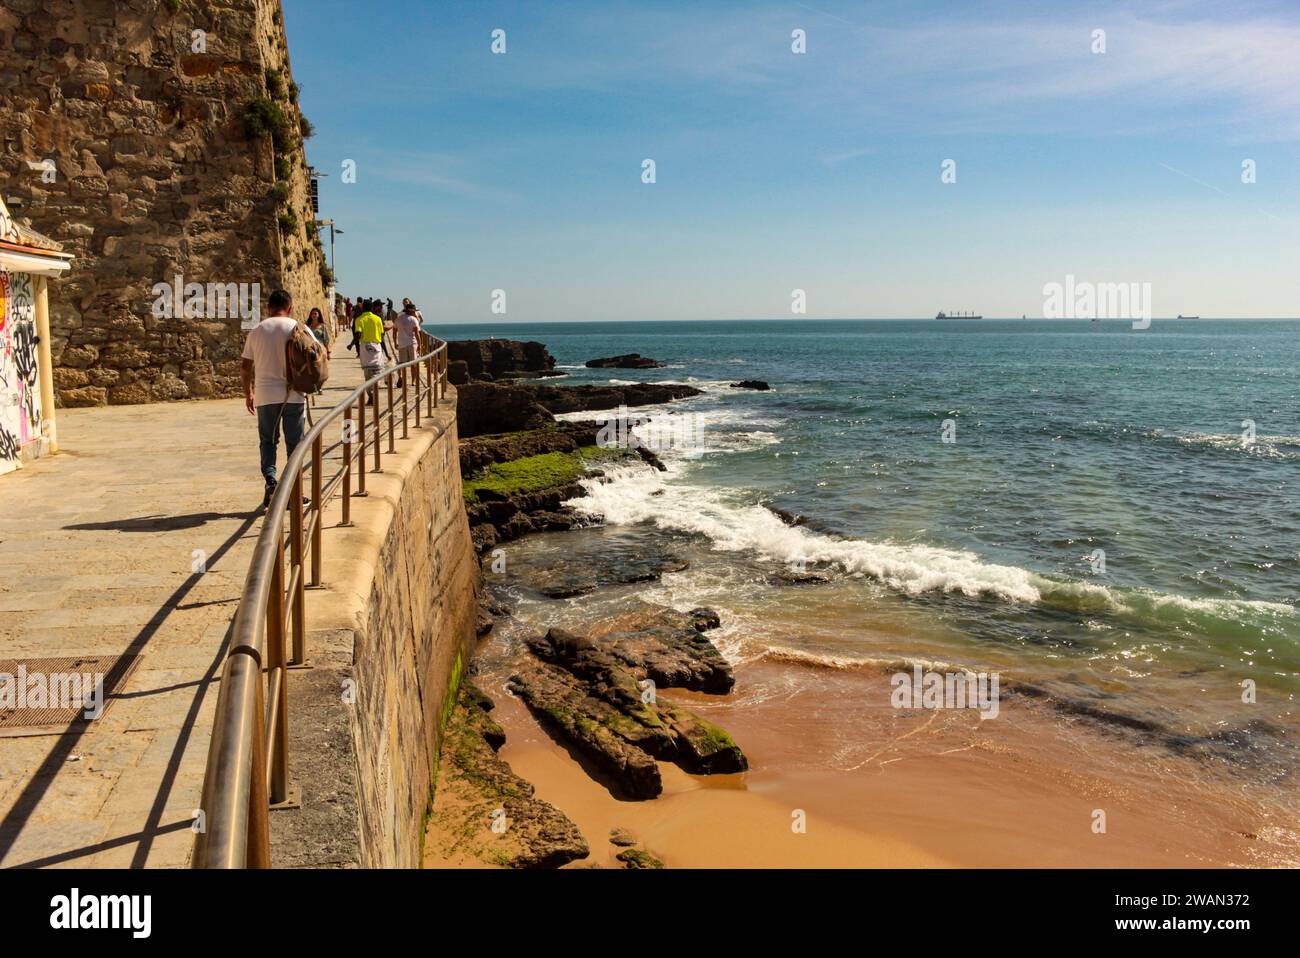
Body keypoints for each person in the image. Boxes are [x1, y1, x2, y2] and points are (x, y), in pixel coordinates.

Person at [241, 289, 306, 510]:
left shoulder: (257, 331)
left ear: (268, 308)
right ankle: (294, 493)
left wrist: (248, 392)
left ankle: (270, 480)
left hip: (265, 395)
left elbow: (245, 366)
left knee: (268, 441)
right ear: (290, 308)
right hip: (294, 394)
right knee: (295, 445)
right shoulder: (298, 327)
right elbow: (319, 355)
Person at [354, 300, 390, 403]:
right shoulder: (378, 319)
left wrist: (352, 344)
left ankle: (371, 396)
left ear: (363, 308)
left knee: (367, 374)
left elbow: (358, 334)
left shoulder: (359, 319)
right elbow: (382, 336)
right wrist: (386, 353)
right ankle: (374, 393)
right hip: (376, 347)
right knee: (376, 372)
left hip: (365, 348)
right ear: (372, 308)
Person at [394, 302, 422, 387]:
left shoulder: (398, 319)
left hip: (402, 343)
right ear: (411, 311)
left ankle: (401, 376)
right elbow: (417, 333)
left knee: (402, 363)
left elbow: (394, 332)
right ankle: (413, 381)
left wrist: (395, 342)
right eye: (414, 311)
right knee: (414, 363)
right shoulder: (413, 319)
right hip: (411, 343)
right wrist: (420, 345)